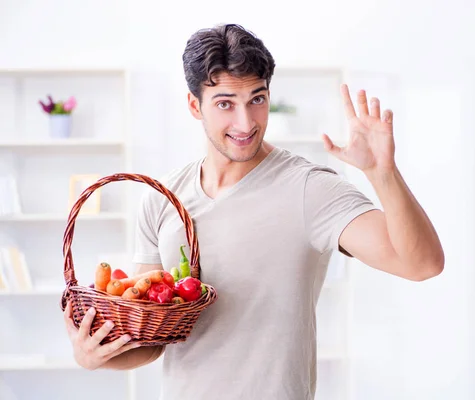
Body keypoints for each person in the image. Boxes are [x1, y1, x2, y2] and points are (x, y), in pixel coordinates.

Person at [63, 23, 444, 400]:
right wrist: (94, 356)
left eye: (257, 100)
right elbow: (153, 339)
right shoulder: (162, 199)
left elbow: (422, 264)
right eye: (226, 103)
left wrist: (383, 174)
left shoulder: (310, 189)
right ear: (195, 105)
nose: (245, 123)